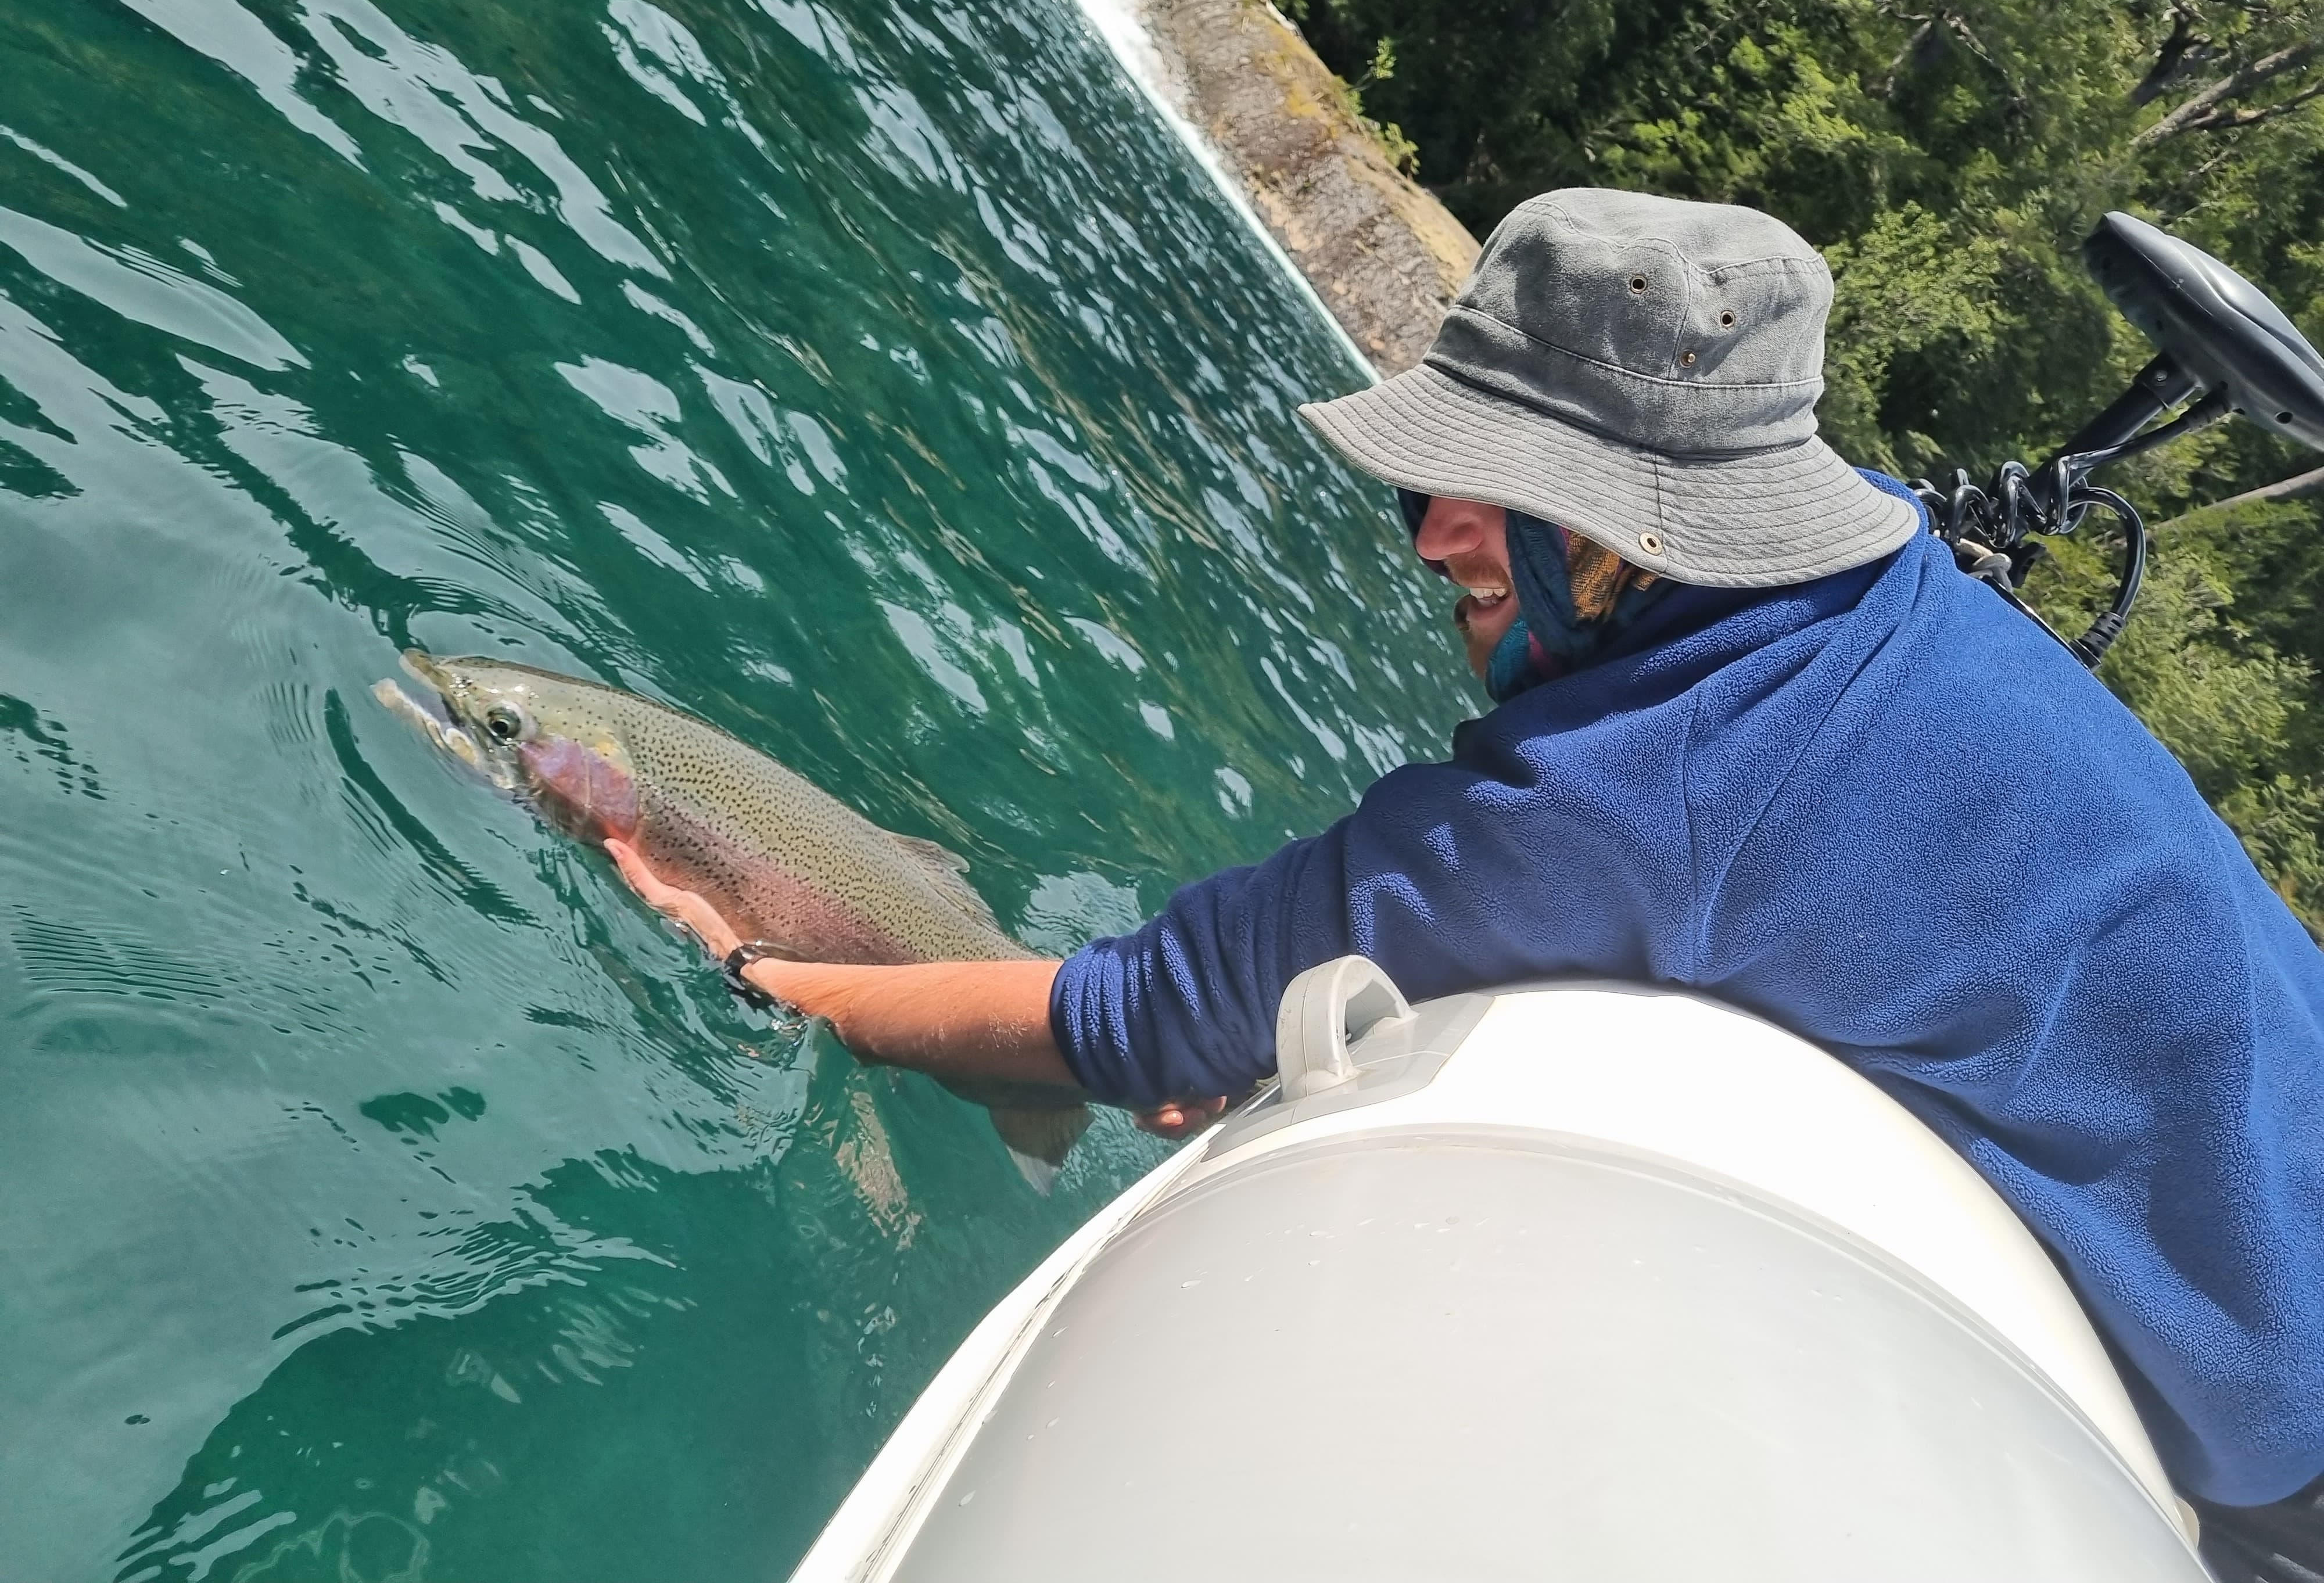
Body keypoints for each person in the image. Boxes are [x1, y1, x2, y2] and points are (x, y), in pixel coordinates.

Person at [608, 188, 2324, 1567]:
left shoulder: (1623, 798)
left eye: (1488, 492)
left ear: (1641, 537)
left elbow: (1126, 1017)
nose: (1430, 532)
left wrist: (759, 965)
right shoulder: (1874, 574)